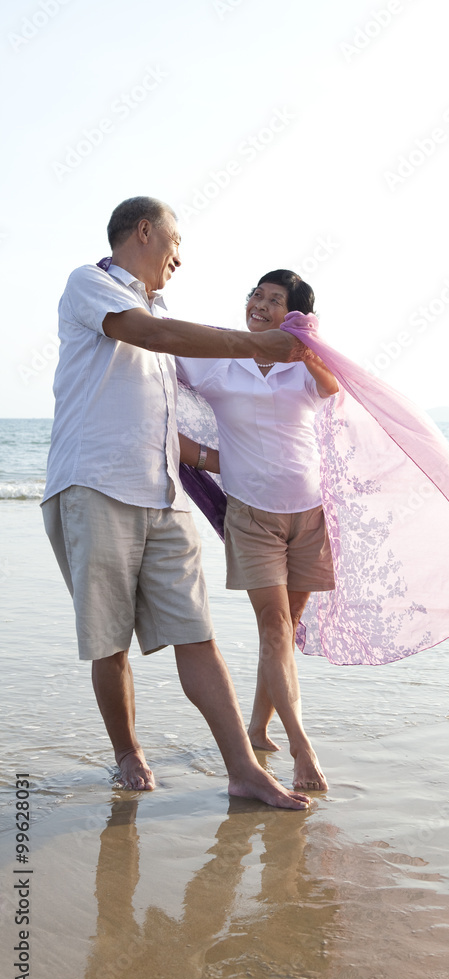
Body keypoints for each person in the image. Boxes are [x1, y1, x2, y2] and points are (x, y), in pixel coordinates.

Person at [41, 196, 310, 809]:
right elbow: (152, 335)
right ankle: (128, 753)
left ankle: (243, 769)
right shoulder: (91, 284)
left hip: (162, 494)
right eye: (176, 242)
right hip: (93, 484)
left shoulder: (160, 309)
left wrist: (226, 460)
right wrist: (252, 344)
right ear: (145, 231)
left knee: (197, 634)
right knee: (110, 641)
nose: (180, 258)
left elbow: (171, 412)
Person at [178, 270, 338, 792]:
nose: (260, 305)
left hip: (311, 514)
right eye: (257, 296)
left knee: (286, 628)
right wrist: (198, 456)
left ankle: (258, 726)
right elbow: (157, 363)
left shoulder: (304, 373)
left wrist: (302, 344)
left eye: (275, 301)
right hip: (252, 517)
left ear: (293, 316)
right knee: (273, 625)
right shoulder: (218, 364)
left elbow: (333, 385)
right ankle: (301, 746)